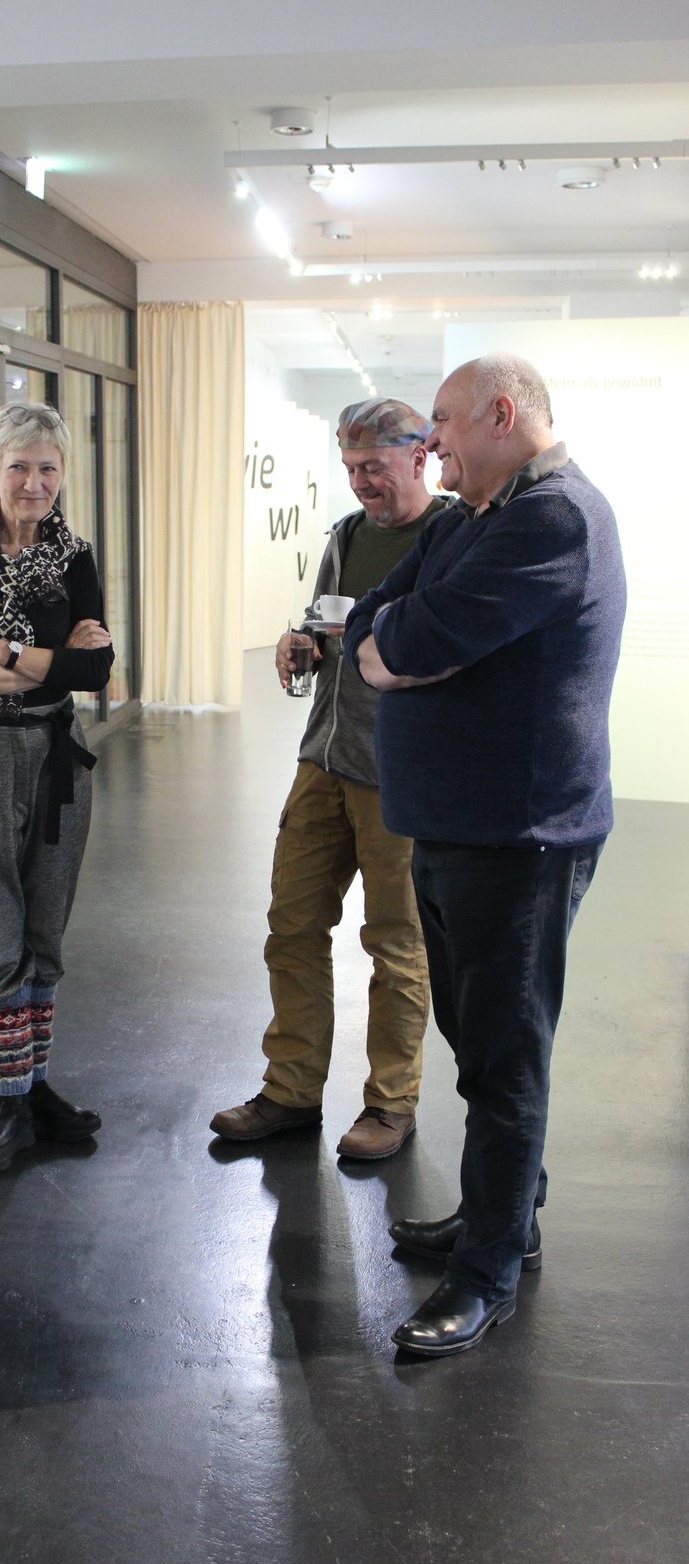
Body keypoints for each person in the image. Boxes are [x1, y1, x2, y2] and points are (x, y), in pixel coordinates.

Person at [344, 353, 626, 1357]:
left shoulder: (554, 519)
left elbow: (410, 641)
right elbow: (375, 622)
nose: (431, 442)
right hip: (454, 825)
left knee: (505, 1059)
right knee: (473, 1036)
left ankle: (486, 1273)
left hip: (519, 834)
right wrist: (396, 643)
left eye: (444, 421)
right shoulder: (469, 518)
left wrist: (399, 646)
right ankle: (506, 1214)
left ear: (502, 414)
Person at [211, 399, 445, 1159]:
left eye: (373, 467)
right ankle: (290, 1091)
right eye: (349, 468)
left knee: (396, 945)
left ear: (420, 456)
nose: (360, 482)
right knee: (293, 927)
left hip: (399, 774)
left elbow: (449, 655)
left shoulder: (451, 538)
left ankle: (391, 1104)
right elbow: (322, 623)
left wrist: (375, 639)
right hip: (323, 758)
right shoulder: (344, 537)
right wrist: (298, 641)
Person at [0, 400, 113, 1174]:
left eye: (48, 468)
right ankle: (8, 1100)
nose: (34, 482)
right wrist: (50, 658)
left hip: (56, 750)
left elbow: (95, 669)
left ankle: (33, 1088)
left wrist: (1, 650)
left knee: (44, 919)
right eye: (19, 467)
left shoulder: (75, 555)